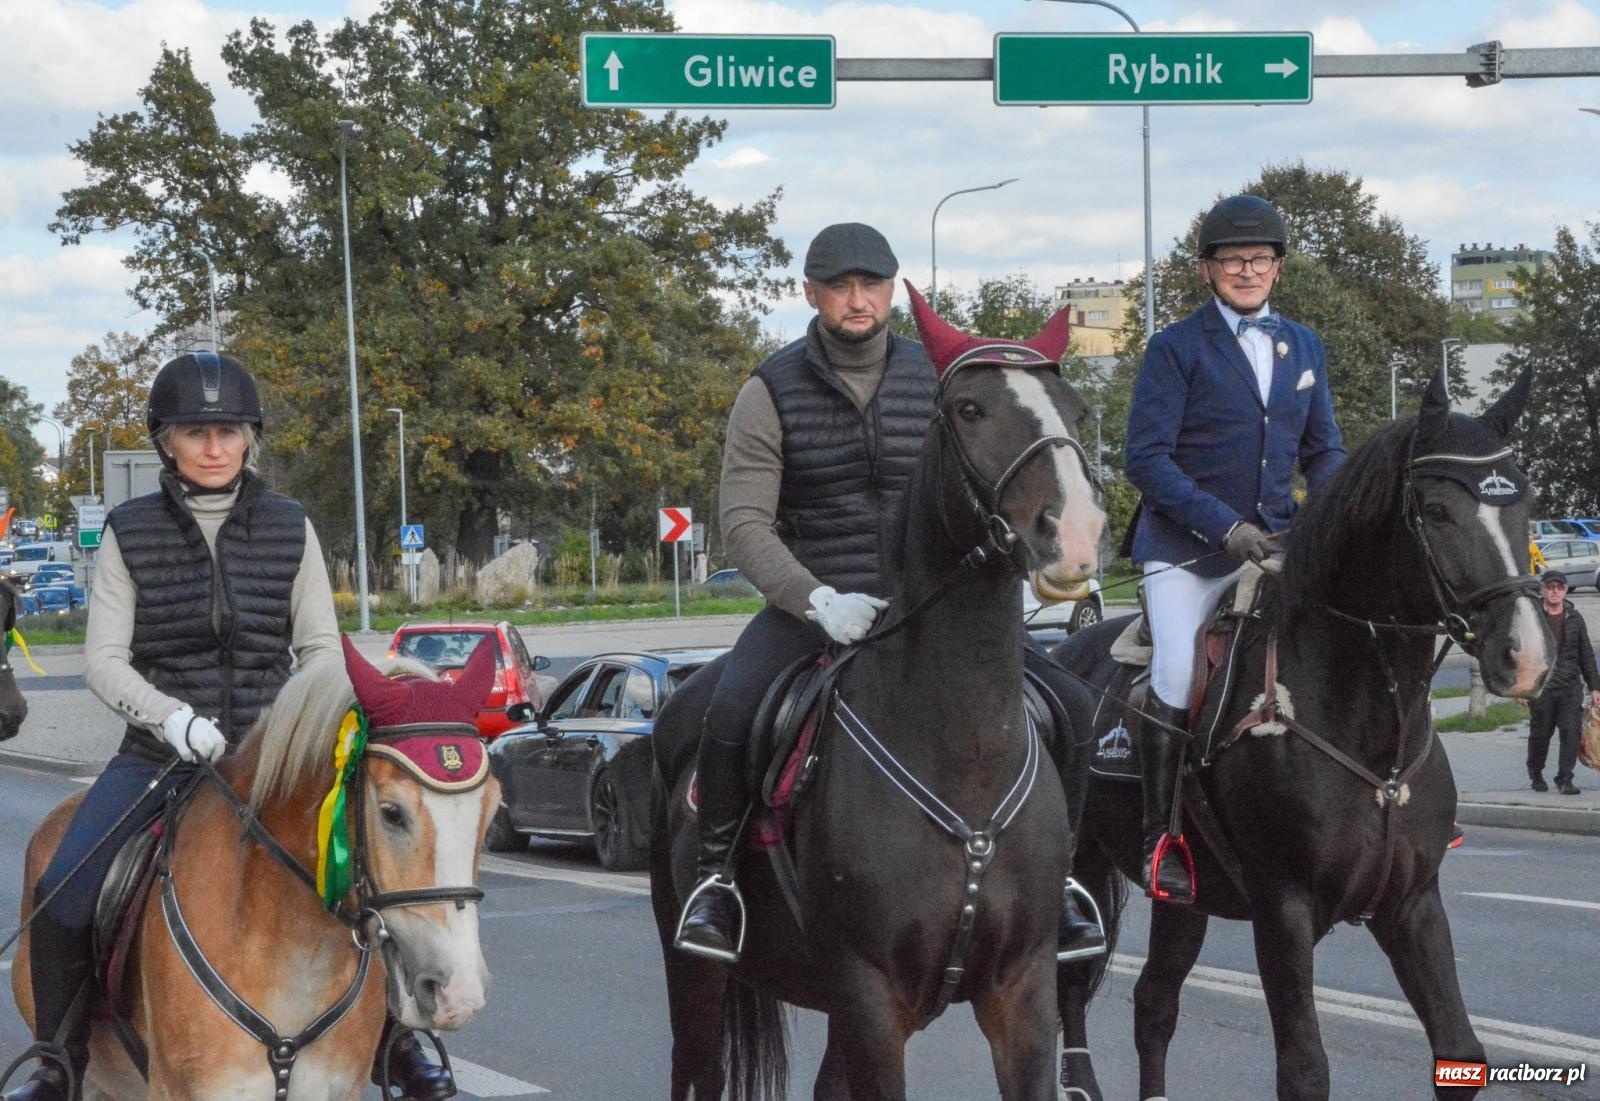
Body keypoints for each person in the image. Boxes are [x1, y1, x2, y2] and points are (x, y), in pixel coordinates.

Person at [5, 353, 453, 1101]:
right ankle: (58, 1061)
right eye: (196, 432)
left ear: (250, 438)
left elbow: (319, 649)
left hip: (276, 756)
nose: (214, 447)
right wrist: (170, 718)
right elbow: (104, 661)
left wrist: (303, 723)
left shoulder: (289, 525)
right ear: (166, 442)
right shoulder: (128, 530)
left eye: (230, 431)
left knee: (377, 874)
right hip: (159, 753)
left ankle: (400, 1040)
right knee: (66, 885)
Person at [673, 224, 1103, 963]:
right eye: (839, 286)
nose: (857, 299)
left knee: (1071, 705)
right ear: (810, 293)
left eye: (871, 285)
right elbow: (743, 522)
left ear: (890, 292)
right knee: (730, 708)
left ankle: (1060, 878)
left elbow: (991, 483)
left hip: (940, 609)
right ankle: (717, 882)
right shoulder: (768, 390)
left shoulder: (943, 379)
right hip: (816, 606)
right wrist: (816, 600)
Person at [1123, 194, 1346, 904]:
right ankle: (1163, 836)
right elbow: (1146, 459)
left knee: (1349, 641)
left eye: (1259, 259)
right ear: (1207, 270)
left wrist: (1327, 514)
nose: (1246, 270)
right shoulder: (1175, 347)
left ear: (1277, 267)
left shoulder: (1303, 346)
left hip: (1280, 542)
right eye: (1231, 260)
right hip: (1189, 550)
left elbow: (1325, 449)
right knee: (1177, 668)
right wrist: (1225, 528)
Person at [1525, 570, 1600, 796]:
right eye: (1550, 587)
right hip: (1542, 687)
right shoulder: (1533, 618)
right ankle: (1535, 771)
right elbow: (1522, 652)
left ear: (1566, 591)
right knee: (1541, 734)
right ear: (1543, 590)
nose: (1555, 591)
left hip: (1570, 686)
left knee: (1571, 730)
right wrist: (1521, 685)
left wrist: (1595, 687)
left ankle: (1565, 778)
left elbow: (1586, 654)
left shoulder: (1575, 618)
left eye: (1559, 587)